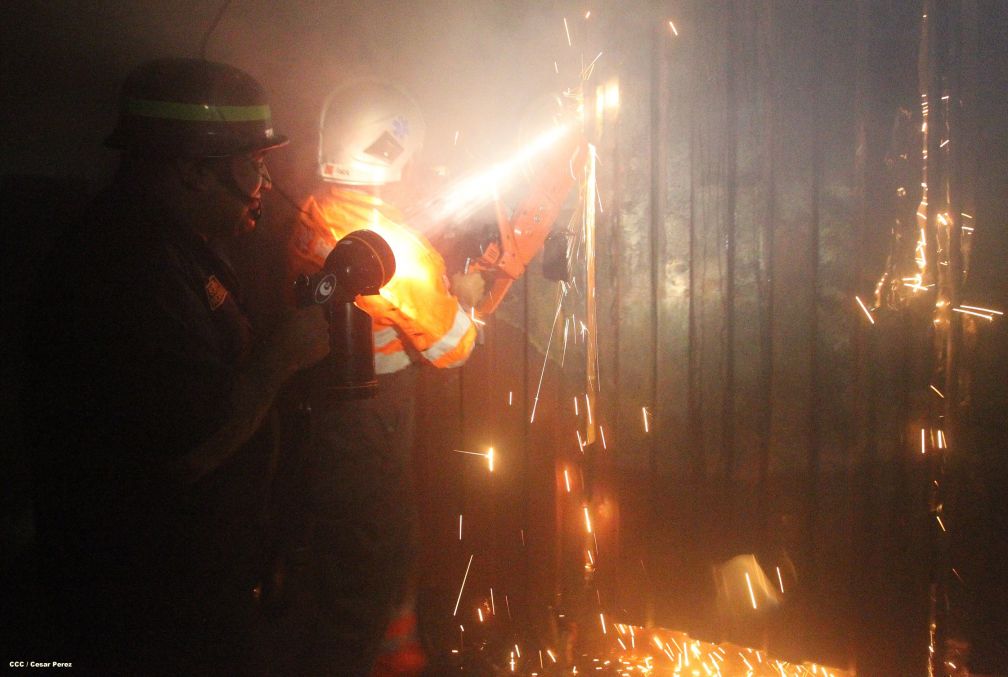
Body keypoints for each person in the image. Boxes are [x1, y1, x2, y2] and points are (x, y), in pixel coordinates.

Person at [22, 57, 330, 675]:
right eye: (255, 163)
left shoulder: (175, 250)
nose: (266, 182)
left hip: (194, 583)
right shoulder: (122, 271)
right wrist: (284, 356)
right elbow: (189, 443)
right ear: (193, 170)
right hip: (149, 609)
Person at [281, 79, 485, 676]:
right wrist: (465, 299)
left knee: (364, 555)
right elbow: (454, 347)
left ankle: (397, 659)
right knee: (370, 570)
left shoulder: (313, 209)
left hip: (316, 412)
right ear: (388, 151)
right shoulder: (391, 244)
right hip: (366, 424)